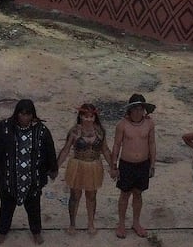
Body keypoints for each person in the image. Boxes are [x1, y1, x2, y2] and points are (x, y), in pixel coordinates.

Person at [0, 98, 58, 244]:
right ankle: (2, 232)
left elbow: (49, 150)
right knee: (6, 206)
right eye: (22, 114)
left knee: (34, 207)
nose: (25, 118)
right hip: (8, 178)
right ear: (17, 114)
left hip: (32, 179)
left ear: (32, 115)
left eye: (28, 114)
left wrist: (53, 169)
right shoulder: (4, 128)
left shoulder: (41, 131)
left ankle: (36, 232)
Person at [56, 102, 113, 234]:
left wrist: (113, 167)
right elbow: (65, 150)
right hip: (78, 165)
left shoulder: (100, 131)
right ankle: (72, 224)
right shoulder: (74, 131)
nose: (88, 119)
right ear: (81, 116)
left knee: (92, 195)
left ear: (94, 117)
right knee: (75, 195)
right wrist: (56, 166)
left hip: (94, 165)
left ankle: (91, 223)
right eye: (85, 116)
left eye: (91, 116)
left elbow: (105, 150)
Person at [112, 93, 157, 239]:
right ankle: (121, 224)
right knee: (124, 194)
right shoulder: (122, 125)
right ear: (130, 110)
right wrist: (114, 165)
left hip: (143, 164)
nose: (138, 112)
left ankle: (136, 223)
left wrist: (153, 163)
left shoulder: (149, 123)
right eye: (135, 109)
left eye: (140, 109)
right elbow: (117, 145)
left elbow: (151, 143)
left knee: (138, 193)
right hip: (126, 165)